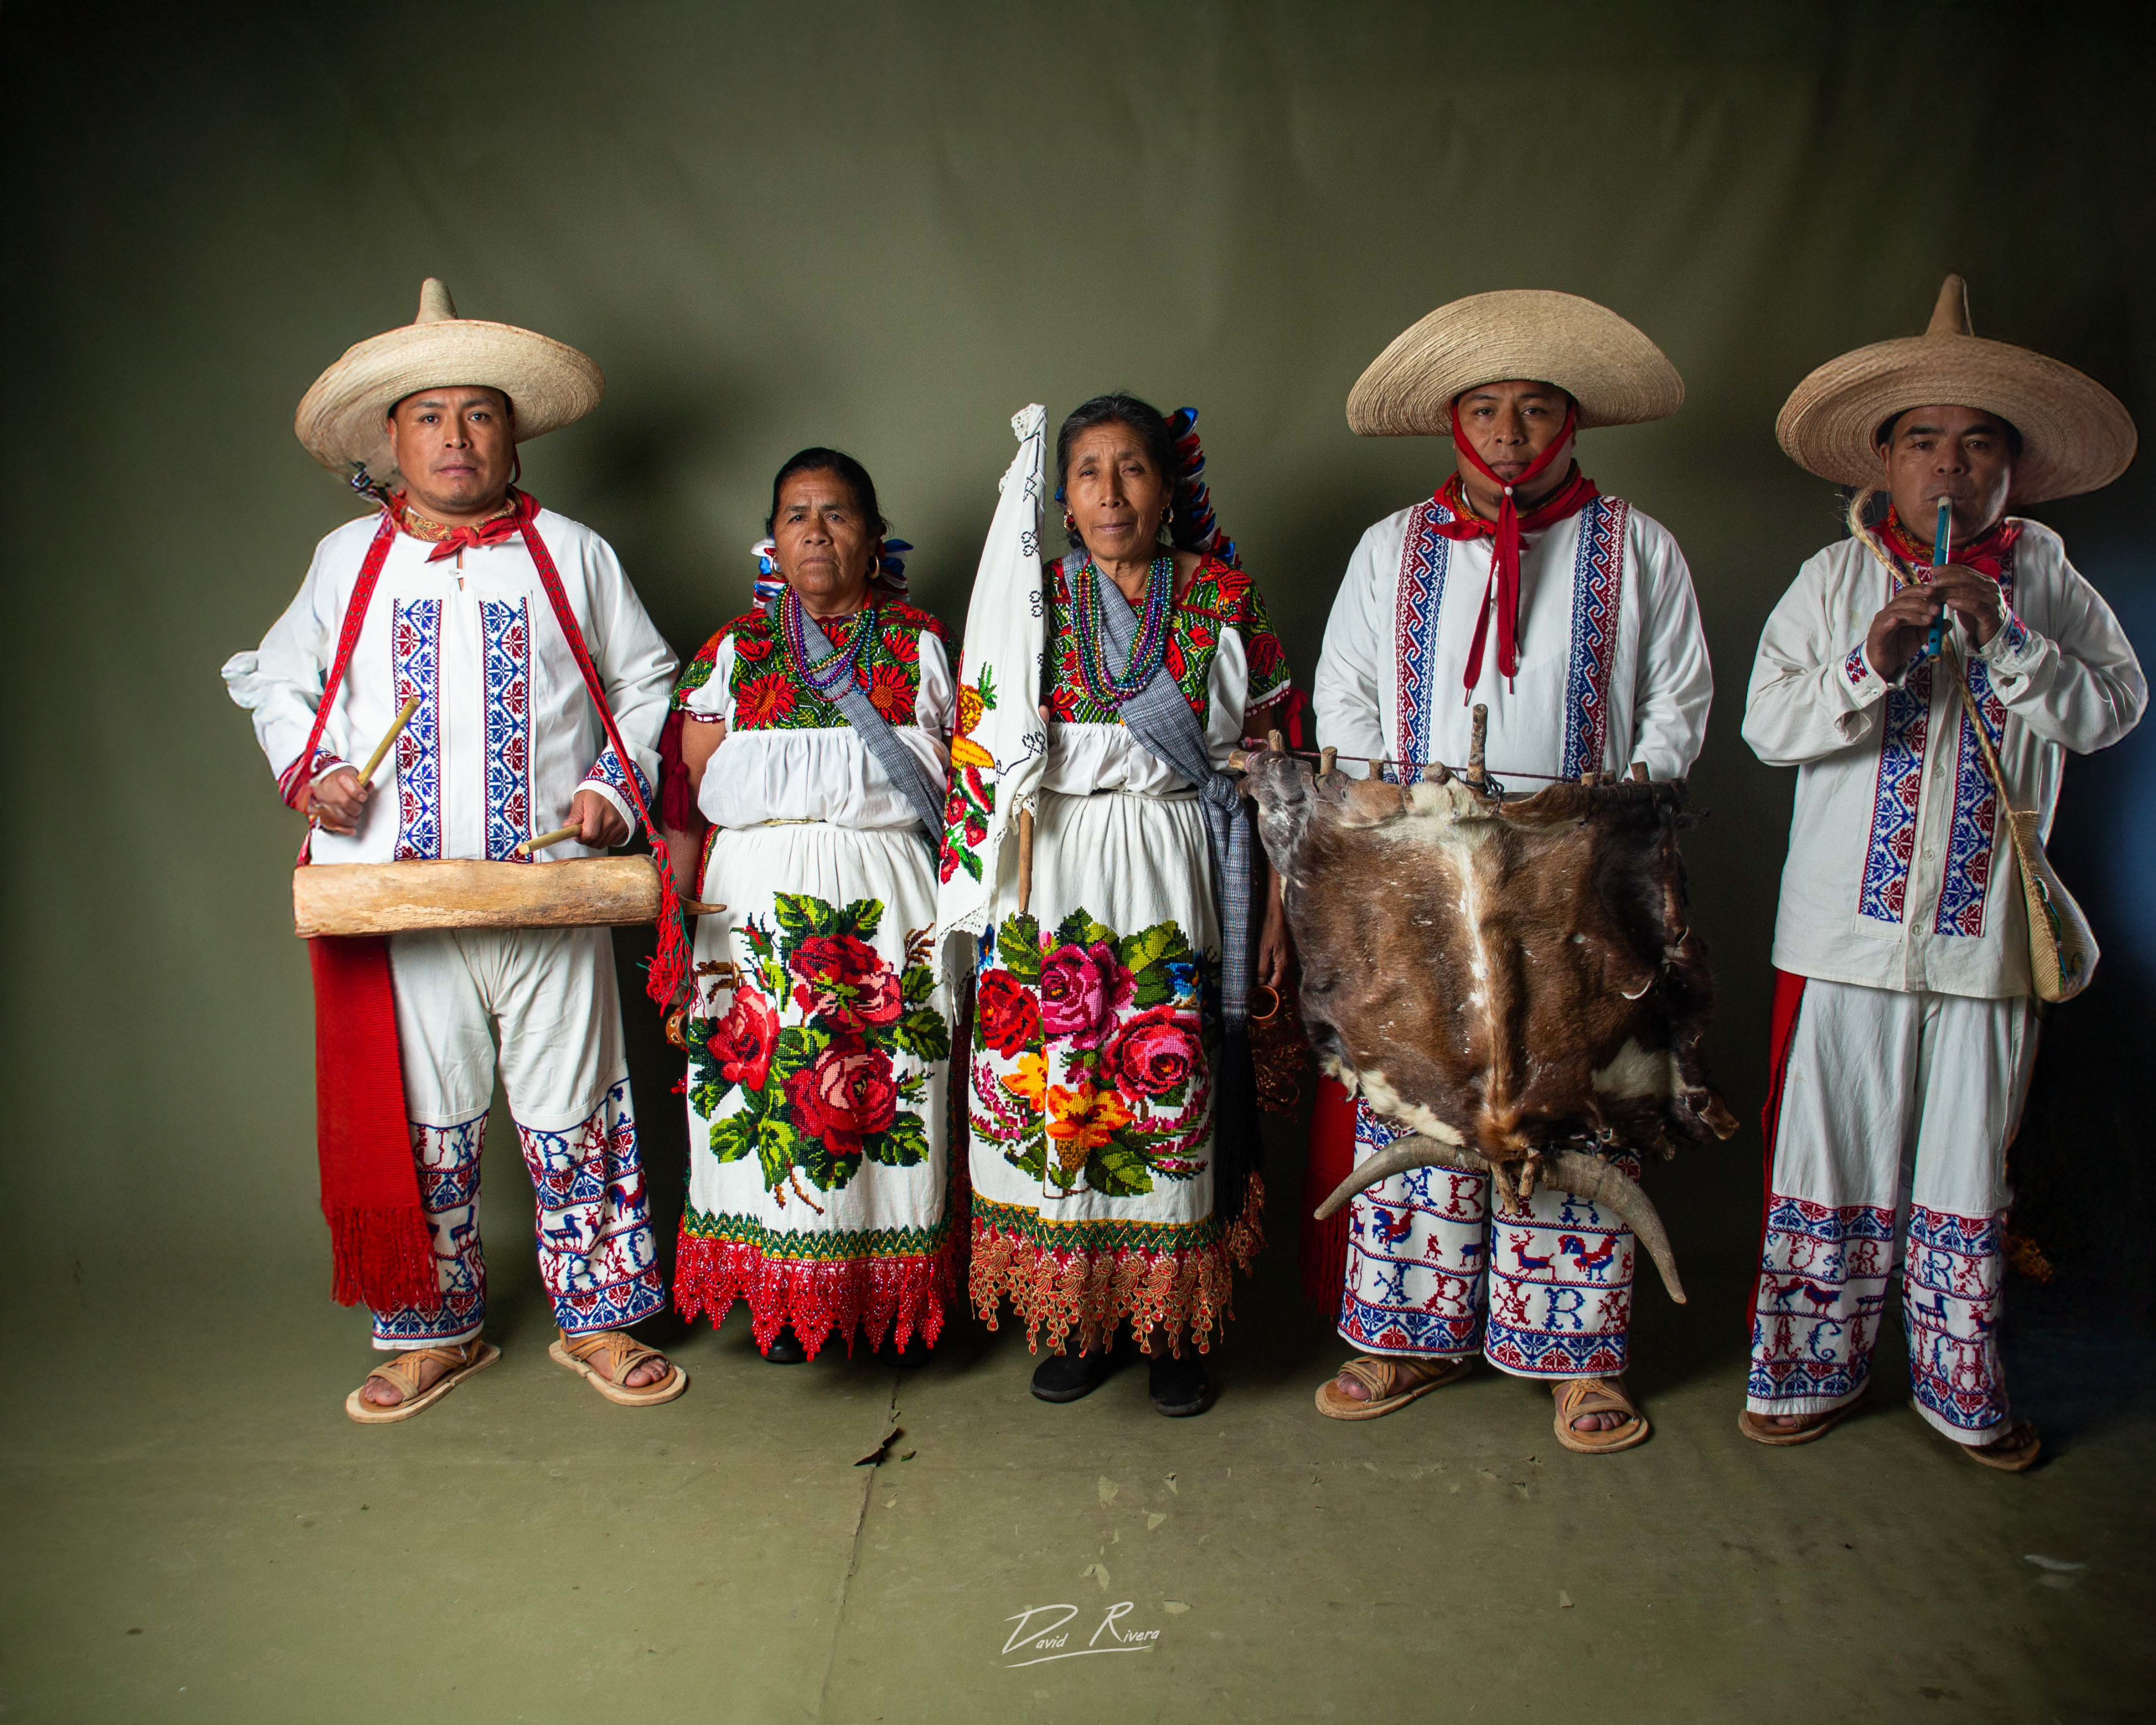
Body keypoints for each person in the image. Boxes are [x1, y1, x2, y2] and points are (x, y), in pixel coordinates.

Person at [222, 278, 686, 1420]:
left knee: (577, 1101)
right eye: (429, 417)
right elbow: (277, 683)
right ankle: (435, 1332)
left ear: (512, 431)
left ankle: (600, 1319)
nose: (455, 438)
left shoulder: (575, 553)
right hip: (404, 902)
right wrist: (314, 771)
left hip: (551, 896)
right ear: (392, 437)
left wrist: (605, 793)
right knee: (426, 1117)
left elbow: (650, 683)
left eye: (478, 415)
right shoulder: (347, 563)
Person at [1740, 275, 2144, 1470]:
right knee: (1834, 1144)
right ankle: (1809, 1369)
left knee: (1971, 1158)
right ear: (1884, 460)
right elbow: (1769, 725)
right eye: (1924, 442)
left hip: (1985, 940)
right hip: (1844, 939)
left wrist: (2009, 638)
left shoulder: (2052, 578)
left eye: (1979, 445)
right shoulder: (1832, 581)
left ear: (2013, 469)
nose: (1951, 469)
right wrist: (1872, 658)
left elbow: (2112, 710)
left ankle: (1961, 1388)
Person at [1309, 290, 1712, 1452]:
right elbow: (1344, 690)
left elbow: (1680, 698)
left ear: (1572, 420)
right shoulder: (1393, 550)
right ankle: (1408, 1331)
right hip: (1421, 873)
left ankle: (1573, 1354)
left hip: (1580, 872)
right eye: (1485, 408)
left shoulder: (1638, 548)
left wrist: (1615, 801)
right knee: (1420, 1081)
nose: (1510, 433)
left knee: (1575, 1087)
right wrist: (1387, 798)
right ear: (1453, 421)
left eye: (1536, 409)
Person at [957, 395, 1294, 1417]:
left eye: (1133, 468)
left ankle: (1174, 1331)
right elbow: (978, 754)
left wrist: (1277, 910)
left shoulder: (1226, 600)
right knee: (1064, 1081)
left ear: (1168, 486)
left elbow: (1279, 768)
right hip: (1050, 867)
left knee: (1168, 1080)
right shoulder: (1030, 604)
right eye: (1089, 473)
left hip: (1182, 864)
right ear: (1061, 499)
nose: (1111, 493)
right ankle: (1082, 1320)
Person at [663, 451, 960, 1363]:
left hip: (889, 905)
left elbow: (969, 798)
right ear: (773, 540)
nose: (817, 533)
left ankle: (886, 1299)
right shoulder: (731, 651)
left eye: (838, 515)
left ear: (873, 537)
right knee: (775, 1091)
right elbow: (685, 797)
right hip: (749, 913)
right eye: (797, 516)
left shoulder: (918, 644)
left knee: (887, 1085)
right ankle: (787, 1302)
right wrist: (672, 934)